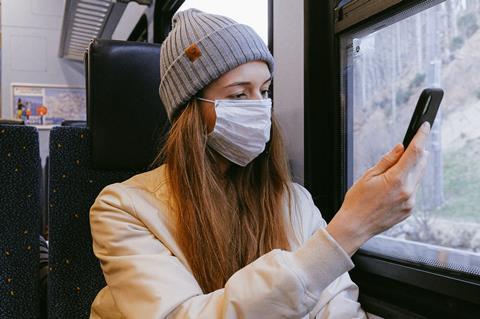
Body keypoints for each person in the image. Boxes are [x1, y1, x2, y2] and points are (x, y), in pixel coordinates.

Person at [89, 9, 430, 318]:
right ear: (190, 112)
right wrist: (349, 228)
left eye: (264, 91)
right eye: (239, 95)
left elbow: (336, 308)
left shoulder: (293, 199)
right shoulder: (122, 209)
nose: (260, 108)